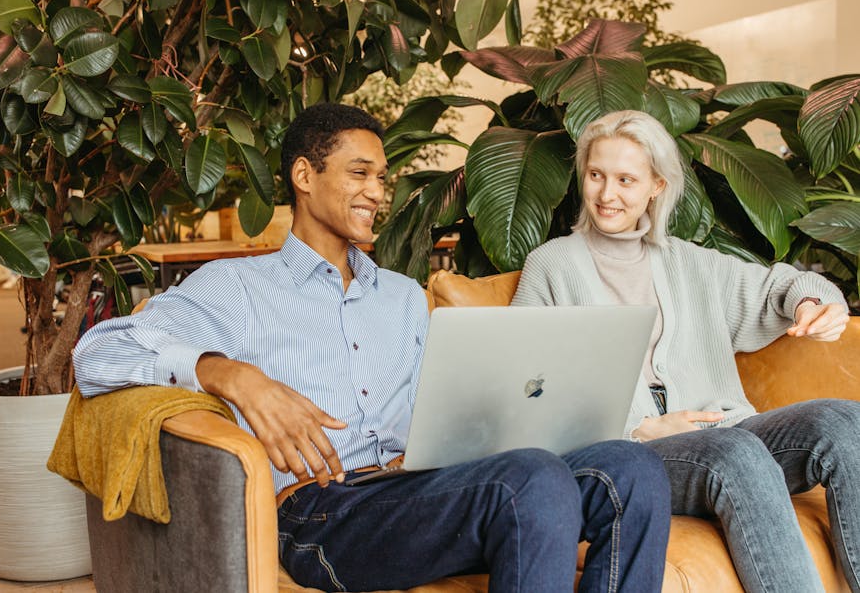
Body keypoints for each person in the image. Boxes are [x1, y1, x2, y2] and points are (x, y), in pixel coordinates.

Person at [73, 103, 671, 592]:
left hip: (419, 486)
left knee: (632, 469)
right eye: (359, 173)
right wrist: (230, 375)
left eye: (381, 178)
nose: (377, 193)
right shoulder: (238, 286)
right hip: (322, 511)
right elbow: (96, 354)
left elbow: (434, 408)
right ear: (305, 178)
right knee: (531, 480)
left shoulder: (404, 297)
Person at [513, 109, 860, 593]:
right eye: (596, 175)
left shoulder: (689, 262)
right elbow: (526, 391)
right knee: (736, 451)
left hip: (726, 430)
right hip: (635, 454)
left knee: (845, 423)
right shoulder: (551, 266)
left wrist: (816, 302)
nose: (606, 195)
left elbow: (780, 284)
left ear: (656, 185)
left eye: (626, 180)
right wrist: (636, 430)